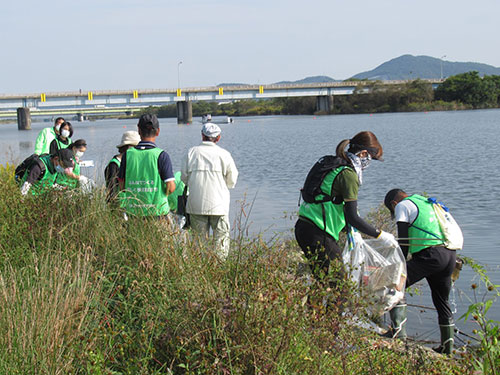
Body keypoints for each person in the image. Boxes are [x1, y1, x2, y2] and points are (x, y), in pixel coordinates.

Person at [295, 131, 396, 286]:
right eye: (372, 158)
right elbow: (352, 217)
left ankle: (312, 311)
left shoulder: (337, 165)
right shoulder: (348, 174)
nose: (370, 162)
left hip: (305, 228)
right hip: (319, 233)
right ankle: (326, 311)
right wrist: (380, 235)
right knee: (340, 289)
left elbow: (333, 204)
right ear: (363, 153)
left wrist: (354, 234)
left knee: (323, 284)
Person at [384, 189, 457, 354]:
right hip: (449, 254)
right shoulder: (426, 202)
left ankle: (398, 334)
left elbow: (403, 242)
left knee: (395, 284)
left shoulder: (403, 205)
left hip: (430, 254)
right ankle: (447, 349)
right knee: (441, 300)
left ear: (394, 204)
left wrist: (398, 267)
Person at [181, 122, 238, 259]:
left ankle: (200, 270)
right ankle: (219, 269)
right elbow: (232, 180)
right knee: (221, 240)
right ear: (218, 138)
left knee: (198, 242)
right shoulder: (224, 154)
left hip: (196, 205)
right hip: (219, 205)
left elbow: (184, 178)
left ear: (202, 135)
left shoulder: (191, 152)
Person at [118, 114, 176, 218]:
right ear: (158, 131)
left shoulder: (127, 155)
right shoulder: (161, 155)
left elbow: (121, 186)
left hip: (134, 213)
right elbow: (171, 187)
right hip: (158, 213)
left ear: (139, 130)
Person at [104, 131, 140, 201]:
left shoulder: (129, 162)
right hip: (119, 206)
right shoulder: (114, 165)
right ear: (129, 148)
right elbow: (112, 190)